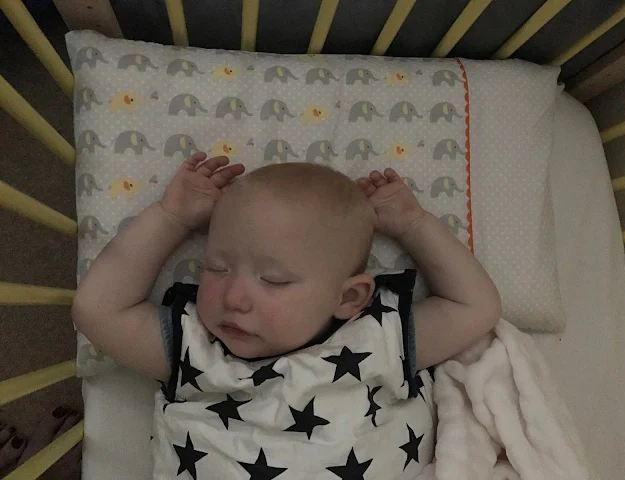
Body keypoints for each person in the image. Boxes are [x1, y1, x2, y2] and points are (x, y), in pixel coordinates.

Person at [72, 153, 501, 478]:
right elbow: (97, 310)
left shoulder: (378, 336)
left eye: (273, 281)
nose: (234, 298)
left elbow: (476, 307)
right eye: (216, 268)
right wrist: (170, 218)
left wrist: (415, 225)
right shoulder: (195, 347)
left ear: (349, 297)